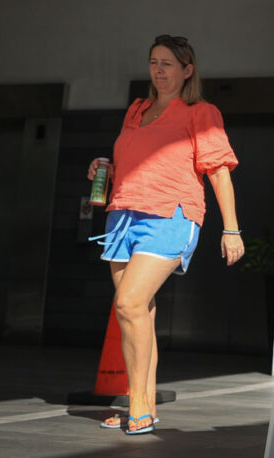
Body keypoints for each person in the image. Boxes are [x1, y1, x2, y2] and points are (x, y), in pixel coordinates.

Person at [87, 34, 243, 435]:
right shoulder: (136, 111)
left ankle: (137, 407)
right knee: (137, 313)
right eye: (154, 62)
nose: (158, 70)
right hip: (122, 214)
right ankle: (145, 406)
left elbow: (218, 170)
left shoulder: (200, 111)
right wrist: (105, 165)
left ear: (187, 70)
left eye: (168, 63)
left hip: (171, 216)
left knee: (128, 303)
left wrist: (231, 229)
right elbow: (134, 161)